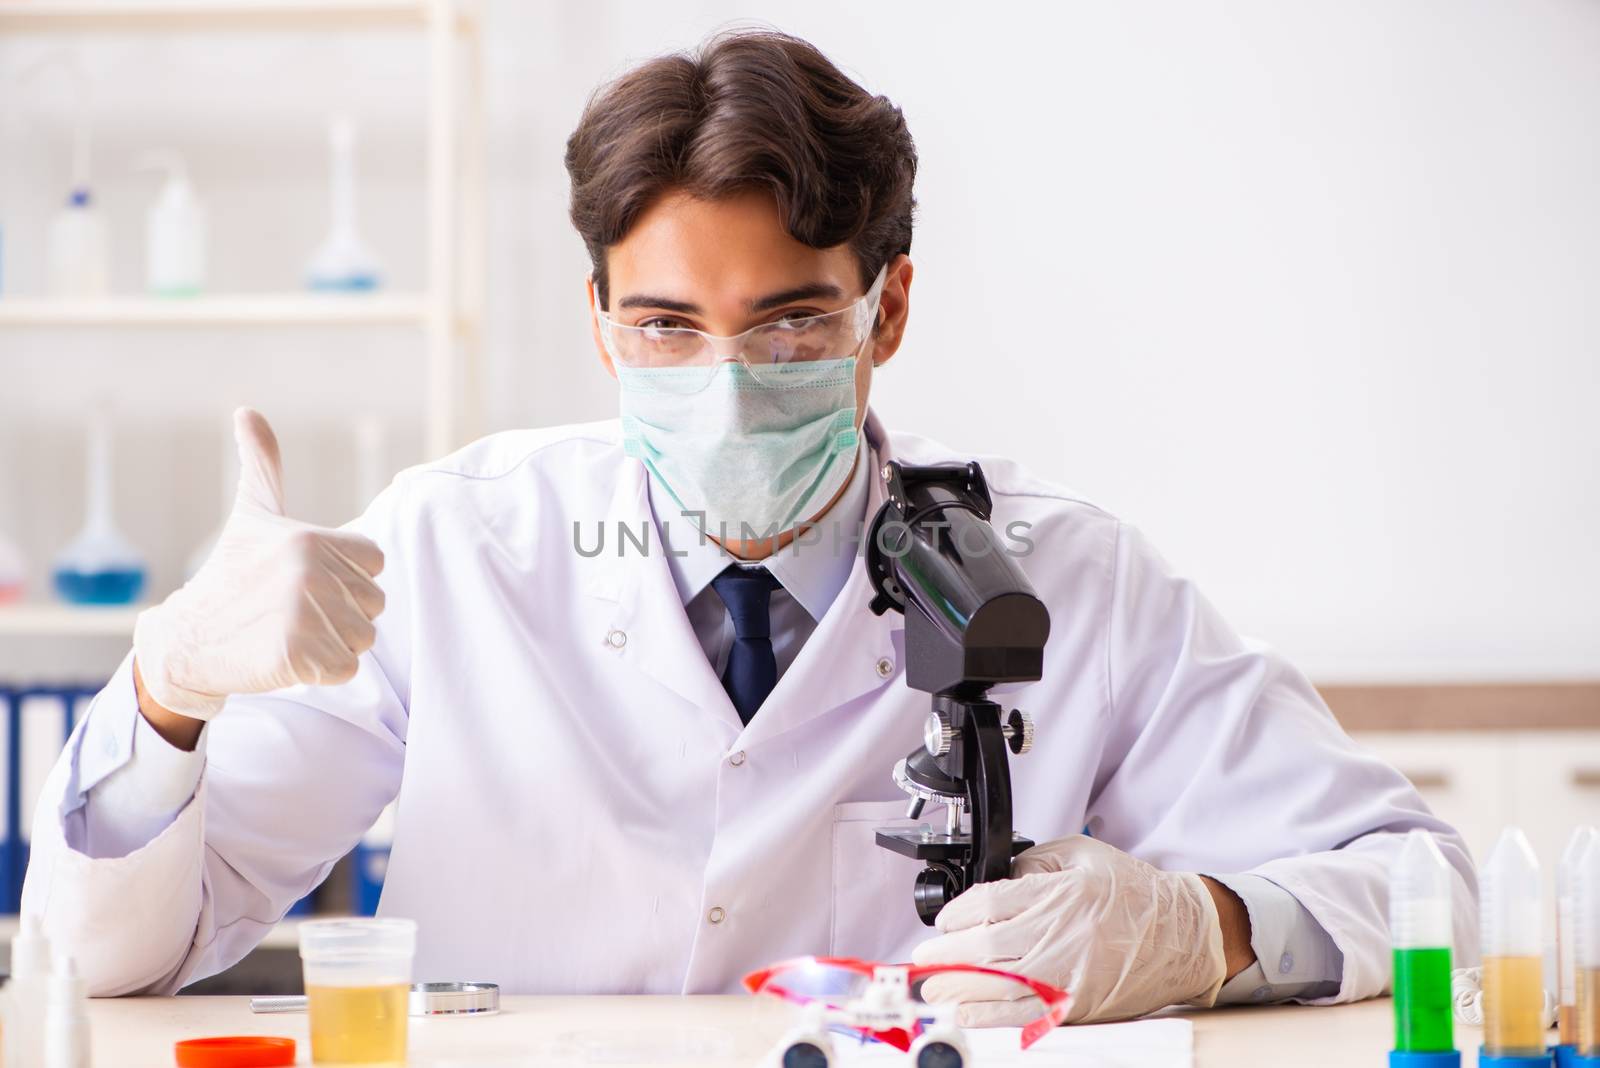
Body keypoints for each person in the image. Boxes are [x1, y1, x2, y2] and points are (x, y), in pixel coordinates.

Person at [25, 30, 1476, 1024]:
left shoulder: (1073, 578)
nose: (724, 386)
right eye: (665, 325)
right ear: (596, 322)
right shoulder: (460, 551)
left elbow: (1435, 890)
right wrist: (168, 694)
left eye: (788, 323)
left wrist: (1205, 933)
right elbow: (105, 963)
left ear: (884, 311)